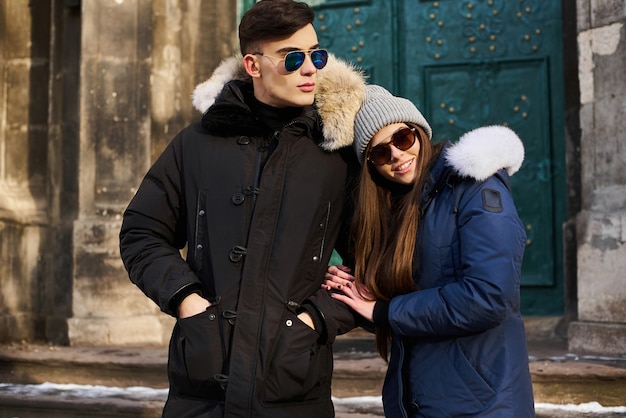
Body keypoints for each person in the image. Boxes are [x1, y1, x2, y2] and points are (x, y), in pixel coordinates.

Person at [119, 1, 367, 417]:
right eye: (293, 58)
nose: (310, 69)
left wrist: (317, 319)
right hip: (201, 389)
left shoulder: (337, 154)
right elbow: (142, 232)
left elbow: (379, 255)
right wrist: (186, 299)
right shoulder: (195, 145)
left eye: (316, 55)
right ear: (252, 65)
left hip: (292, 387)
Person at [324, 85, 535, 417]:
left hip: (481, 403)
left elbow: (490, 296)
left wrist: (383, 311)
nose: (395, 155)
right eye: (379, 153)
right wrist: (361, 295)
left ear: (419, 132)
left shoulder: (474, 188)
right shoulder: (393, 210)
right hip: (415, 399)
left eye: (402, 138)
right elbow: (412, 307)